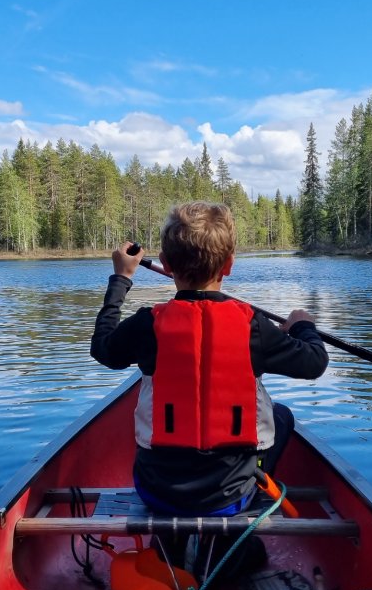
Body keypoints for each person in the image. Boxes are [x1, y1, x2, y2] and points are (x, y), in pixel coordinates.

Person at [91, 201, 329, 517]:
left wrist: (121, 279)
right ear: (228, 265)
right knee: (281, 415)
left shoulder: (148, 324)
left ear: (165, 263)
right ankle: (247, 513)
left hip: (157, 492)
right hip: (231, 497)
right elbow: (315, 361)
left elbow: (103, 347)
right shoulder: (253, 327)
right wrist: (301, 326)